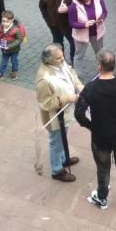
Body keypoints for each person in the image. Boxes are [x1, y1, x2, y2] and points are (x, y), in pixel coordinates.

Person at [75, 50, 116, 211]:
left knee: (103, 167)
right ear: (114, 66)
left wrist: (90, 126)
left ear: (99, 66)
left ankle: (102, 198)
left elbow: (79, 113)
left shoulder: (90, 88)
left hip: (100, 136)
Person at [36, 43, 84, 182]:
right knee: (56, 142)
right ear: (48, 60)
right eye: (58, 58)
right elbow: (46, 103)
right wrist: (67, 98)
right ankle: (57, 170)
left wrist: (78, 85)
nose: (62, 60)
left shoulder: (60, 64)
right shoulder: (43, 79)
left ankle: (64, 158)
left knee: (63, 137)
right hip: (55, 117)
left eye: (62, 56)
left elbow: (71, 73)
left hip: (66, 113)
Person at [69, 0, 108, 73]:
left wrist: (102, 18)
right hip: (81, 36)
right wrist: (84, 25)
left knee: (100, 53)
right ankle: (78, 77)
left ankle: (103, 73)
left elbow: (105, 12)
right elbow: (72, 22)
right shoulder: (74, 6)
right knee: (79, 56)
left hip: (97, 32)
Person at [39, 0, 76, 65]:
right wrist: (48, 21)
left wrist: (68, 9)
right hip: (54, 25)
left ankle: (73, 61)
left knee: (74, 44)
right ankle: (60, 61)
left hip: (68, 25)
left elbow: (78, 7)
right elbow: (42, 7)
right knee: (58, 44)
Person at [0, 10, 26, 82]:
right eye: (3, 21)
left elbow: (19, 39)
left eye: (7, 21)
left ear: (12, 21)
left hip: (14, 50)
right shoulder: (0, 27)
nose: (4, 23)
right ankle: (0, 73)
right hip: (4, 49)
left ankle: (14, 72)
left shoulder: (16, 29)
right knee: (3, 62)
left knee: (14, 61)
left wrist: (10, 46)